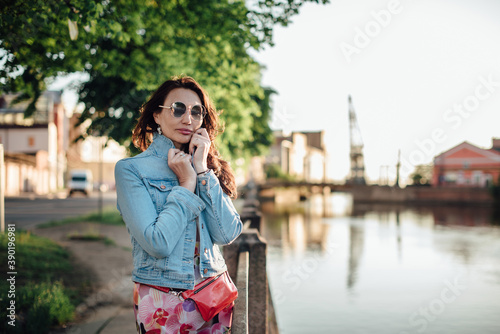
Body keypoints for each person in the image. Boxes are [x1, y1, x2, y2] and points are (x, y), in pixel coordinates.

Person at [115, 76, 243, 333]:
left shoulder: (206, 166)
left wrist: (202, 171)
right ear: (156, 116)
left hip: (215, 295)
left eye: (197, 112)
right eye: (178, 109)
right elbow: (157, 243)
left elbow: (227, 233)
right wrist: (186, 183)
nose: (188, 119)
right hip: (164, 299)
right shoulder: (132, 170)